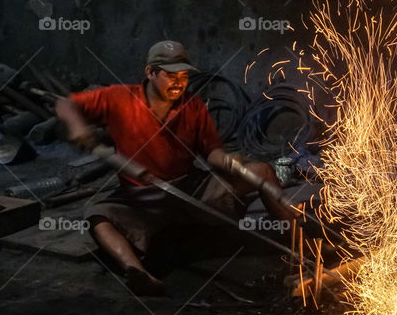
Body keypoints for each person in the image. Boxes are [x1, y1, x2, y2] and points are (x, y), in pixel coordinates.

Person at [56, 40, 294, 295]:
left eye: (183, 76)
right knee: (97, 216)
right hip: (141, 198)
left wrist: (226, 161)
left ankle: (299, 245)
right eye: (170, 75)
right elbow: (65, 104)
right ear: (150, 72)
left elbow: (211, 153)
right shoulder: (118, 98)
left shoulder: (193, 106)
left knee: (262, 172)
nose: (179, 83)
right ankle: (137, 272)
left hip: (189, 187)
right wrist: (79, 130)